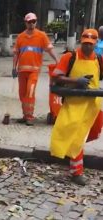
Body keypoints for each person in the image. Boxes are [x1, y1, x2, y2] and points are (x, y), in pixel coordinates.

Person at [50, 29, 103, 186]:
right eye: (85, 44)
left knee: (87, 135)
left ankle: (73, 157)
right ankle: (76, 172)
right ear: (81, 42)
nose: (88, 47)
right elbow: (56, 77)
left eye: (91, 45)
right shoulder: (70, 57)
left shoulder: (99, 59)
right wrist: (76, 81)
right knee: (76, 137)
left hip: (92, 107)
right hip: (73, 105)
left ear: (95, 44)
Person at [13, 12, 58, 126]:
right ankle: (25, 115)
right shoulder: (20, 37)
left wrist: (58, 61)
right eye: (29, 22)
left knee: (30, 92)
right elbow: (16, 54)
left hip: (34, 70)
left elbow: (49, 49)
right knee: (22, 93)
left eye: (33, 21)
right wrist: (14, 67)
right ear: (25, 23)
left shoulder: (41, 36)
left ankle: (30, 117)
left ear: (36, 22)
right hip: (22, 71)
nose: (32, 24)